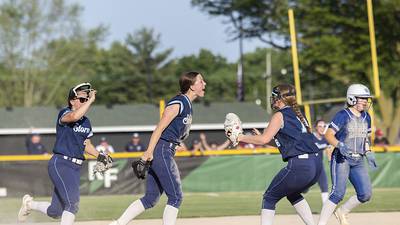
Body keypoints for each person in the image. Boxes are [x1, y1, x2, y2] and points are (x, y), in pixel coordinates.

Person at [109, 71, 206, 225]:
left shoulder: (188, 106)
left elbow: (174, 132)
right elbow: (159, 128)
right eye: (201, 81)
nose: (204, 84)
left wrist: (177, 144)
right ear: (191, 86)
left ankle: (117, 224)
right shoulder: (179, 103)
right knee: (176, 197)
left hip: (165, 150)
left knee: (151, 198)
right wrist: (148, 152)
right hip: (162, 150)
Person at [17, 83, 111, 225]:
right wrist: (91, 101)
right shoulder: (65, 113)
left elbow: (87, 145)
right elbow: (74, 116)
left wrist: (100, 156)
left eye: (87, 99)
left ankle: (29, 205)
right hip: (61, 163)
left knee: (56, 211)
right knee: (72, 204)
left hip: (75, 167)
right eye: (82, 99)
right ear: (72, 100)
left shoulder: (86, 122)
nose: (86, 101)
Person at [230, 84, 322, 225]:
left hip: (301, 165)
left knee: (269, 197)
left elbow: (263, 139)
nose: (272, 100)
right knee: (292, 194)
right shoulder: (299, 114)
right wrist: (263, 137)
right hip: (316, 164)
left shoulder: (280, 115)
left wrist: (240, 137)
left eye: (274, 97)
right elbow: (282, 143)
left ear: (279, 99)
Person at [317, 84, 377, 225]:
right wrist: (339, 145)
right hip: (342, 158)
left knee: (366, 194)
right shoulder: (343, 115)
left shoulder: (367, 117)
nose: (365, 101)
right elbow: (328, 134)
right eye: (362, 98)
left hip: (358, 160)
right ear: (352, 98)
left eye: (366, 98)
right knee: (337, 193)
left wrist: (368, 152)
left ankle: (342, 211)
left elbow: (365, 138)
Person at [312, 120, 330, 203]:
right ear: (316, 127)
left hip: (319, 166)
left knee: (324, 185)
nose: (322, 128)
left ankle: (326, 208)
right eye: (320, 126)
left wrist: (330, 160)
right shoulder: (310, 137)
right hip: (309, 166)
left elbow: (328, 150)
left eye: (324, 126)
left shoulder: (325, 139)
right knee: (304, 189)